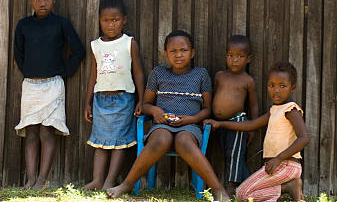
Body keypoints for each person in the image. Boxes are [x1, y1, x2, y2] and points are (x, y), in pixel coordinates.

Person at [106, 30, 229, 201]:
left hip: (190, 125)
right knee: (161, 139)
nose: (178, 55)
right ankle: (127, 184)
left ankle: (218, 190)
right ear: (166, 54)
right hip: (162, 125)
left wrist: (192, 119)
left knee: (183, 141)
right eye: (173, 51)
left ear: (192, 53)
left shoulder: (201, 74)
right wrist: (155, 111)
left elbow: (208, 109)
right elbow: (146, 104)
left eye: (184, 50)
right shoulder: (158, 73)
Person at [13, 0, 85, 189]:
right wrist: (29, 70)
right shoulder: (24, 25)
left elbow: (78, 51)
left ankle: (43, 180)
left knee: (47, 131)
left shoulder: (61, 23)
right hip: (31, 86)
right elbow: (18, 52)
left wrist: (64, 72)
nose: (42, 3)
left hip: (54, 85)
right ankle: (31, 178)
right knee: (31, 131)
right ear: (30, 0)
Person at [204, 61, 309, 202]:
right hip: (277, 166)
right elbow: (250, 125)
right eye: (272, 85)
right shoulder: (273, 111)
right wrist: (220, 123)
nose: (276, 90)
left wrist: (278, 159)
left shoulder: (291, 109)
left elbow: (304, 138)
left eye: (282, 86)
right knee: (244, 192)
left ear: (293, 88)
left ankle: (289, 186)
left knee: (241, 194)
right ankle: (285, 189)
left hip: (286, 165)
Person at [82, 0, 145, 191]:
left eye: (115, 20)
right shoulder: (96, 45)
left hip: (124, 98)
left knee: (119, 143)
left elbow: (138, 72)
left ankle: (110, 180)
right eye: (106, 20)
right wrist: (87, 102)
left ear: (124, 20)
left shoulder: (129, 43)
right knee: (100, 142)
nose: (111, 24)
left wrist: (141, 100)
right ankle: (97, 180)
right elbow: (93, 75)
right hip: (100, 100)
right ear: (100, 20)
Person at [212, 35, 259, 196]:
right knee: (225, 151)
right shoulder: (220, 76)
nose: (234, 60)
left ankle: (231, 185)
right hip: (218, 122)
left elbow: (253, 104)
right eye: (231, 56)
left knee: (235, 153)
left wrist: (252, 127)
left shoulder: (247, 81)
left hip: (237, 122)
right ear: (226, 56)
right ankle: (251, 185)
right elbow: (213, 96)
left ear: (248, 59)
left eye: (240, 56)